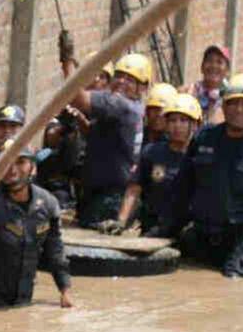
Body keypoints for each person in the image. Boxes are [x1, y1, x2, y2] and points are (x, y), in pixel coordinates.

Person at [149, 73, 243, 278]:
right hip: (203, 233)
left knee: (232, 285)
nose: (239, 110)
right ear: (224, 107)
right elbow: (182, 189)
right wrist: (164, 228)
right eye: (234, 104)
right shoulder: (204, 139)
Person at [0, 142, 73, 309]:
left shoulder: (47, 204)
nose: (12, 169)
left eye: (20, 162)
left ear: (33, 168)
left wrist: (65, 290)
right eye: (6, 162)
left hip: (20, 298)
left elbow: (55, 250)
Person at [59, 32, 151, 229]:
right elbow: (102, 137)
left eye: (130, 80)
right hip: (107, 194)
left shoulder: (120, 105)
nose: (121, 82)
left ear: (142, 87)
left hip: (109, 198)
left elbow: (79, 98)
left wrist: (66, 61)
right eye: (119, 76)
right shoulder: (134, 108)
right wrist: (82, 122)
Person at [105, 93, 202, 235]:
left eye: (183, 120)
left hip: (187, 231)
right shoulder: (152, 152)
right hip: (154, 227)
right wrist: (121, 221)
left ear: (195, 124)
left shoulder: (200, 156)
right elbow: (134, 189)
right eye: (172, 120)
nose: (177, 126)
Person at [34, 108, 85, 211]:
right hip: (48, 181)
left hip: (65, 185)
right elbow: (51, 134)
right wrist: (62, 129)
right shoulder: (55, 124)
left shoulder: (82, 131)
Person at [183, 44, 230, 125]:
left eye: (219, 62)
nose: (213, 66)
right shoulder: (188, 92)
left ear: (227, 70)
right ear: (201, 67)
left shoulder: (231, 97)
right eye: (209, 61)